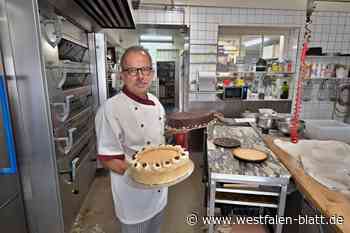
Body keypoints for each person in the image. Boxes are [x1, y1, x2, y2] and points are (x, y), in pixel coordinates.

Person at [95, 46, 167, 233]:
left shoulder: (156, 102)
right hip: (133, 196)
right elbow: (109, 159)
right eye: (132, 71)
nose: (140, 77)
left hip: (160, 190)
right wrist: (145, 175)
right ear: (122, 75)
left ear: (152, 73)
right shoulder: (110, 110)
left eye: (145, 69)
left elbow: (158, 140)